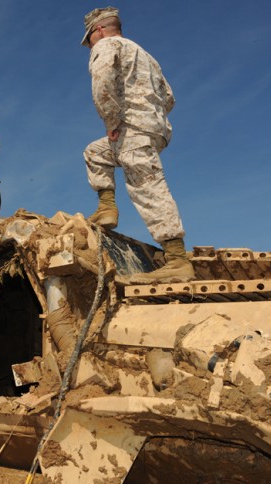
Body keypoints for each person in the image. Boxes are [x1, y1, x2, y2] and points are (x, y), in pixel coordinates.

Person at [81, 7, 194, 283]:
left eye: (89, 39)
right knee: (96, 153)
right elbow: (169, 98)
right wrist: (149, 114)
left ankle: (177, 259)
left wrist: (112, 121)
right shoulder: (146, 55)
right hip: (155, 129)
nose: (90, 45)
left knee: (147, 185)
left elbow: (103, 83)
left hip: (131, 128)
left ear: (98, 30)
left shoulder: (107, 46)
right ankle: (107, 208)